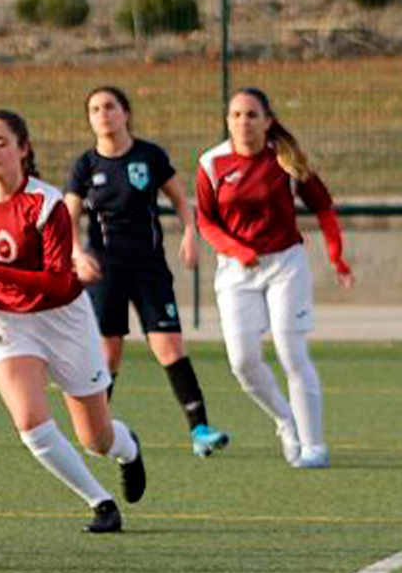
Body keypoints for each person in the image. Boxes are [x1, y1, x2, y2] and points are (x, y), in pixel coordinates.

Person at [0, 109, 147, 534]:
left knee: (96, 440)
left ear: (24, 149)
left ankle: (128, 449)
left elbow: (60, 282)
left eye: (1, 142)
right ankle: (101, 503)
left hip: (64, 319)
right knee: (30, 422)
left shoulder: (47, 204)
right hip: (11, 324)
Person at [64, 86, 230, 458]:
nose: (103, 114)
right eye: (94, 109)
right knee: (109, 354)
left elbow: (180, 201)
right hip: (105, 271)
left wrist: (190, 232)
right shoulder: (85, 166)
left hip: (150, 267)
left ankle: (200, 429)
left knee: (169, 346)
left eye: (109, 107)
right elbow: (67, 217)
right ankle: (97, 433)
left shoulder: (149, 156)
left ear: (125, 113)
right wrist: (77, 254)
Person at [196, 87, 353, 469]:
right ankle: (286, 422)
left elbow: (324, 208)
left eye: (251, 115)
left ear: (267, 121)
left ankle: (313, 444)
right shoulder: (212, 163)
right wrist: (237, 250)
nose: (243, 122)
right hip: (236, 271)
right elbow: (205, 221)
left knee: (290, 351)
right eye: (235, 115)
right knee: (243, 360)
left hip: (286, 264)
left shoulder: (286, 160)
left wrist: (336, 254)